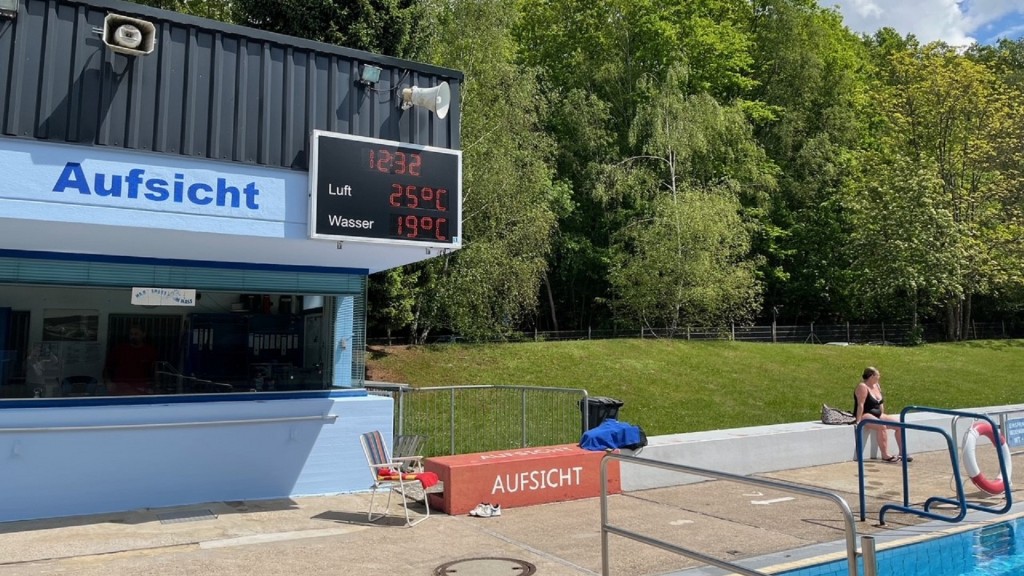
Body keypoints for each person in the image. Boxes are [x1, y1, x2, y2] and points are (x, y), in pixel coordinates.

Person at [854, 366, 912, 462]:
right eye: (878, 375)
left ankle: (902, 452)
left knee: (899, 425)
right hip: (866, 414)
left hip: (877, 414)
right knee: (882, 426)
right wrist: (858, 421)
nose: (879, 377)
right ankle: (885, 454)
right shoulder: (862, 387)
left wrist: (883, 415)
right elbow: (861, 404)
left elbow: (880, 403)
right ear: (872, 376)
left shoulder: (876, 385)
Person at [103, 325, 158, 395]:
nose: (133, 336)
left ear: (144, 334)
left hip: (141, 390)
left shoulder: (150, 351)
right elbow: (107, 368)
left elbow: (155, 371)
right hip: (119, 389)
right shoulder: (119, 350)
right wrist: (108, 382)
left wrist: (154, 387)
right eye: (131, 334)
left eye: (136, 334)